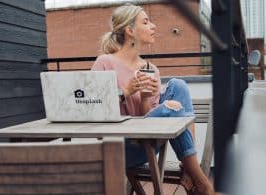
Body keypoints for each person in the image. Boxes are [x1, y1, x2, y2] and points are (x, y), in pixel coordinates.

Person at [91, 3, 214, 195]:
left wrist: (146, 98)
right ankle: (201, 182)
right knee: (170, 108)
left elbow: (148, 121)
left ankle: (190, 169)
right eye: (146, 22)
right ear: (130, 30)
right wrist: (126, 91)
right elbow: (92, 108)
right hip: (120, 148)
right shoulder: (104, 62)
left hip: (147, 144)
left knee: (178, 85)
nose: (154, 26)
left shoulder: (151, 69)